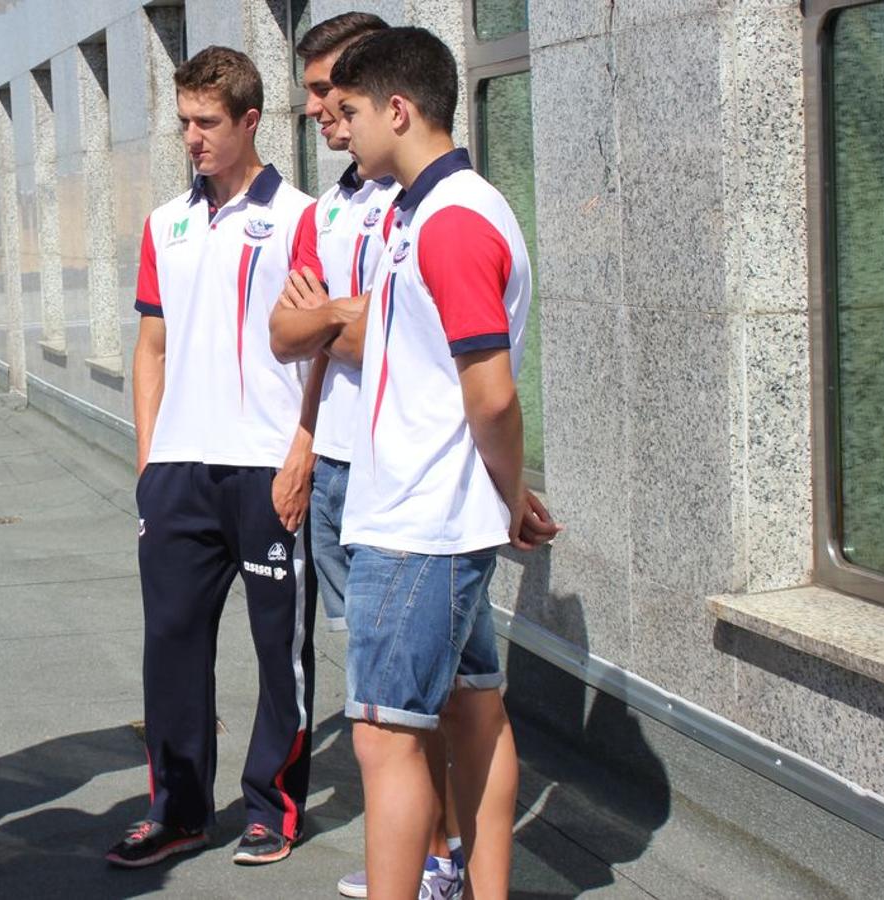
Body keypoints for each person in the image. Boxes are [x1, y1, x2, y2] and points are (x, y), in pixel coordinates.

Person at [329, 26, 560, 900]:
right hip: (437, 517)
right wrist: (505, 495)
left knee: (386, 739)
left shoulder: (453, 221)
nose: (338, 128)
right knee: (472, 712)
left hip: (421, 526)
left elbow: (491, 394)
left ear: (398, 107)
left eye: (349, 110)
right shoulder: (423, 210)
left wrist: (506, 497)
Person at [105, 45, 319, 869]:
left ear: (250, 121)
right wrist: (149, 463)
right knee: (171, 646)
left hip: (265, 466)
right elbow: (150, 348)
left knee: (278, 652)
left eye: (205, 123)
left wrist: (300, 449)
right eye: (183, 121)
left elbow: (321, 350)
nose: (190, 138)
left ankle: (271, 805)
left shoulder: (302, 217)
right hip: (180, 473)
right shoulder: (166, 223)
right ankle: (179, 811)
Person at [272, 13, 469, 900]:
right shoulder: (332, 206)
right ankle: (429, 857)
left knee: (416, 702)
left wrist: (348, 321)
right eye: (316, 95)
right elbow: (287, 332)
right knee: (379, 687)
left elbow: (409, 339)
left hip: (417, 479)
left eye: (330, 94)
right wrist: (306, 439)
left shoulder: (423, 198)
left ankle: (438, 861)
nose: (319, 113)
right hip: (344, 465)